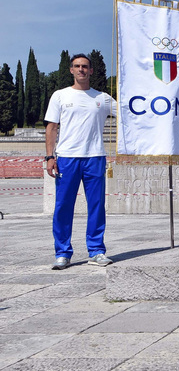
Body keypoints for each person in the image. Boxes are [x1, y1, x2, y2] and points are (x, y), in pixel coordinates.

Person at [45, 53, 116, 269]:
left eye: (85, 66)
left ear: (91, 71)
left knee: (96, 206)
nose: (81, 70)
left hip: (94, 157)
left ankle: (96, 251)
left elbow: (130, 114)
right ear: (71, 70)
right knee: (63, 206)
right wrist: (50, 156)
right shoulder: (60, 96)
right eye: (77, 66)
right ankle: (63, 253)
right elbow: (51, 127)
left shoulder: (102, 98)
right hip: (67, 157)